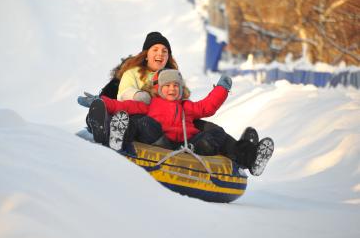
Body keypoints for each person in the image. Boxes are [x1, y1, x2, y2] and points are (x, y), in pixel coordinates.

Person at [91, 69, 274, 176]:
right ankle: (118, 136)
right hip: (159, 140)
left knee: (217, 134)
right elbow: (126, 106)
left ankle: (252, 160)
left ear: (180, 89)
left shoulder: (186, 106)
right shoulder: (150, 104)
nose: (172, 89)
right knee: (142, 122)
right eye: (167, 86)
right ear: (159, 89)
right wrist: (101, 102)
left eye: (175, 86)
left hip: (189, 145)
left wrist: (221, 89)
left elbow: (207, 107)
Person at [83, 31, 224, 145]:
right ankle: (110, 133)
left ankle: (236, 151)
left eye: (164, 51)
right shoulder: (133, 72)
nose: (160, 54)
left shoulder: (171, 76)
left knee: (206, 127)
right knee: (139, 121)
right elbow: (123, 94)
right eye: (155, 50)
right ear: (146, 55)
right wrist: (138, 96)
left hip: (168, 120)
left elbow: (186, 104)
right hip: (138, 112)